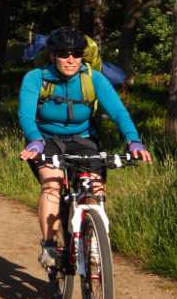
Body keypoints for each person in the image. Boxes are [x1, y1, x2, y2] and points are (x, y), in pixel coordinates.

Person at [18, 27, 151, 273]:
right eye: (64, 53)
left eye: (77, 53)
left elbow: (118, 112)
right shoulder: (36, 78)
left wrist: (133, 141)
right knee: (52, 185)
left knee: (94, 189)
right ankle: (49, 246)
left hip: (83, 139)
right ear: (52, 55)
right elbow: (26, 114)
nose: (71, 59)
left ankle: (93, 243)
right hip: (46, 139)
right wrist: (34, 139)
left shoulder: (93, 78)